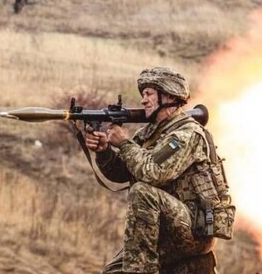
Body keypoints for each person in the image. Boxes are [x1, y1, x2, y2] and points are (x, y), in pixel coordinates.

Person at [85, 67, 235, 274]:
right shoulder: (148, 133)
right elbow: (121, 173)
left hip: (193, 228)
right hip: (164, 227)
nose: (143, 100)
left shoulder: (187, 134)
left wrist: (125, 143)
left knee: (142, 192)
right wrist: (104, 151)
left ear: (168, 96)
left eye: (149, 94)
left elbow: (153, 172)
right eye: (143, 95)